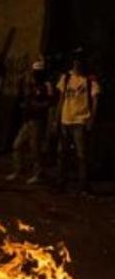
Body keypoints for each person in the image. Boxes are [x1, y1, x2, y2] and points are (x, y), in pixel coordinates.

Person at [54, 55, 100, 193]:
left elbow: (95, 100)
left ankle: (83, 185)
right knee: (62, 152)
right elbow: (61, 99)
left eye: (78, 63)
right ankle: (61, 183)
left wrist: (91, 119)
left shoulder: (89, 80)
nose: (76, 66)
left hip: (80, 119)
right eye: (74, 63)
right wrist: (57, 117)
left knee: (81, 154)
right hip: (66, 119)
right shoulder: (66, 78)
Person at [7, 59, 52, 185]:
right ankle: (19, 170)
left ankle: (39, 174)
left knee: (35, 149)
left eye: (36, 72)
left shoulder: (46, 85)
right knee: (17, 145)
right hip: (28, 120)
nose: (34, 74)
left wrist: (36, 105)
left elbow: (49, 103)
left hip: (38, 121)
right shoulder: (32, 85)